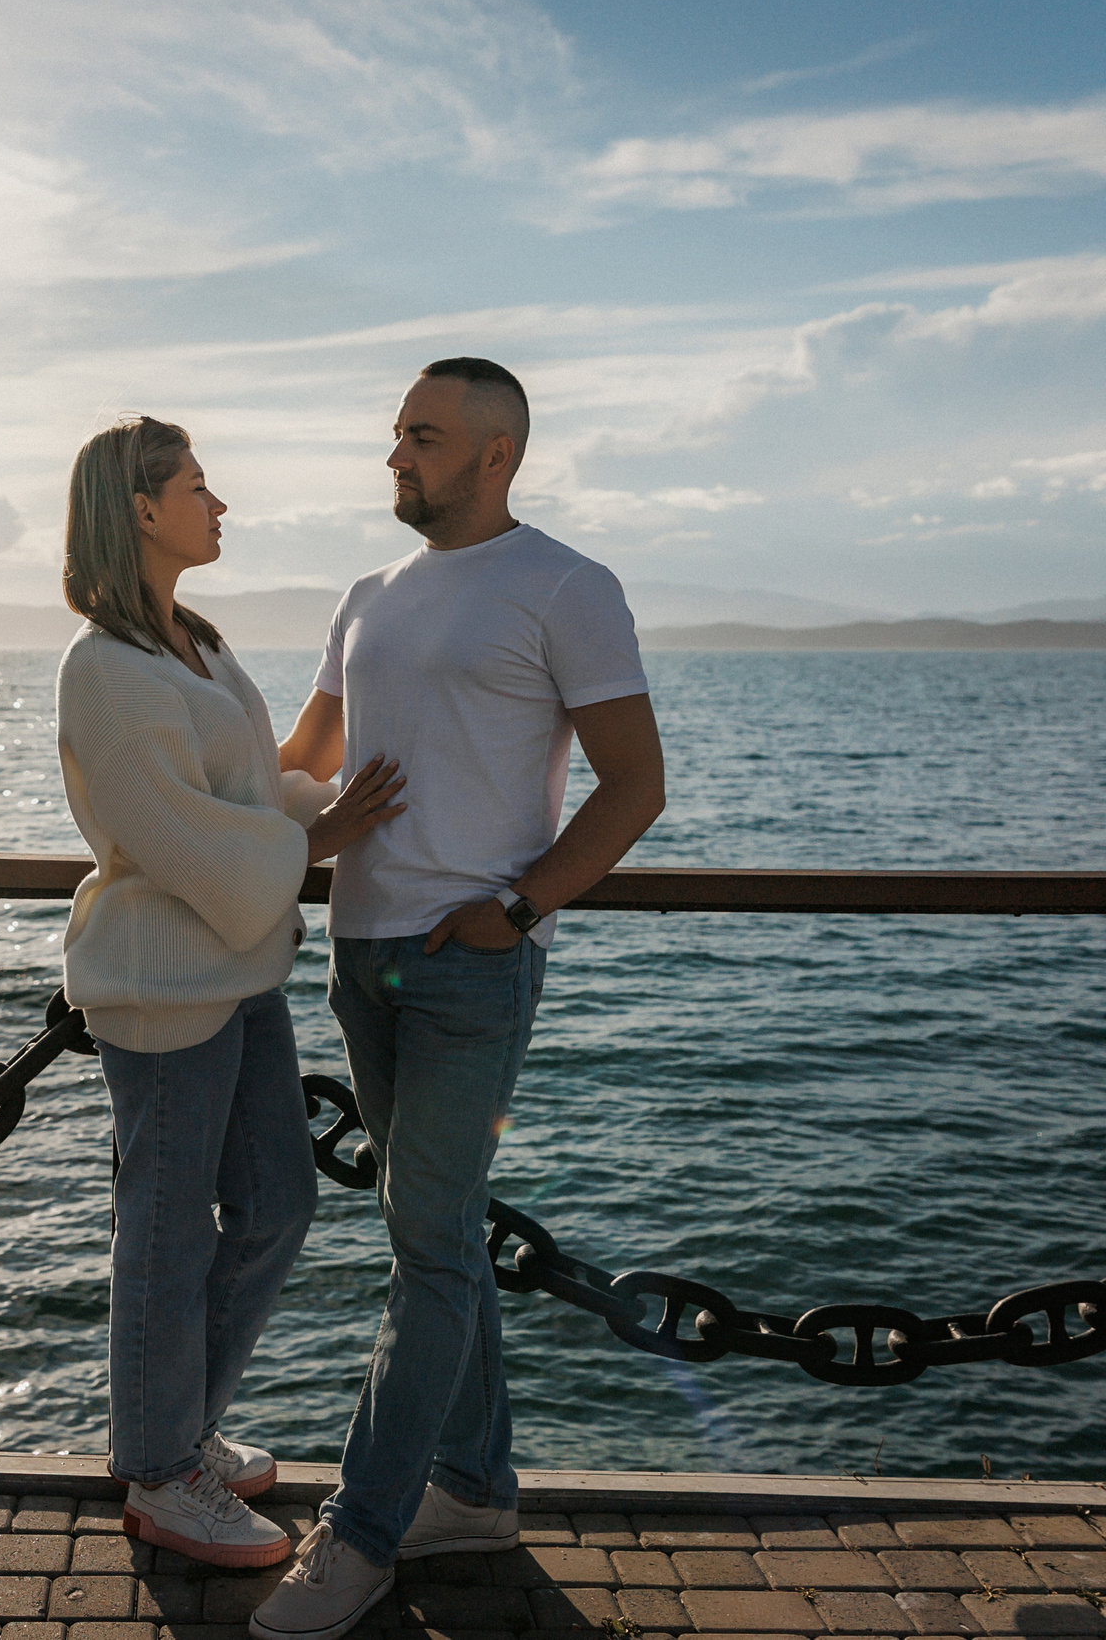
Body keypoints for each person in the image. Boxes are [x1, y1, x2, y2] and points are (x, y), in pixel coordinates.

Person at [251, 359, 668, 1640]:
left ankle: (362, 1531)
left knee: (428, 1241)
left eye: (422, 438)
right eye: (395, 435)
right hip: (359, 954)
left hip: (470, 963)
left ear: (496, 453)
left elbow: (635, 784)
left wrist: (521, 909)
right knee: (432, 1237)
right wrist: (204, 807)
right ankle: (476, 1492)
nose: (395, 457)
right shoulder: (367, 596)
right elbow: (302, 763)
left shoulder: (565, 586)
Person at [56, 414, 408, 1570]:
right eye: (198, 487)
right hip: (163, 987)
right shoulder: (105, 667)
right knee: (164, 1233)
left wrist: (324, 809)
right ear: (140, 509)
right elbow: (173, 831)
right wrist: (318, 841)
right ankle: (162, 1474)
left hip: (240, 968)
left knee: (275, 1204)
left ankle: (177, 1429)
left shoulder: (190, 641)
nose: (219, 505)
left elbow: (246, 797)